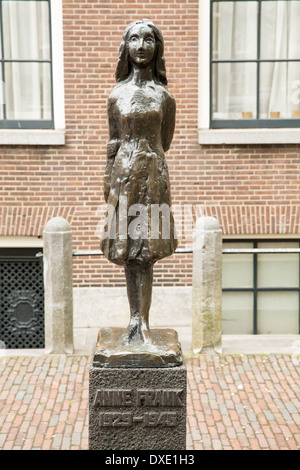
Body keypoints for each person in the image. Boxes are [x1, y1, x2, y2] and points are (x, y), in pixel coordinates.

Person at [101, 19, 177, 345]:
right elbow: (113, 142)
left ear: (157, 47)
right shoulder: (116, 95)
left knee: (147, 254)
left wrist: (148, 163)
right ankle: (133, 320)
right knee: (129, 252)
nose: (141, 46)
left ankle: (141, 322)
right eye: (134, 39)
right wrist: (109, 182)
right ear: (126, 47)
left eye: (148, 39)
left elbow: (166, 141)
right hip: (123, 177)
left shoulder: (164, 97)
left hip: (153, 176)